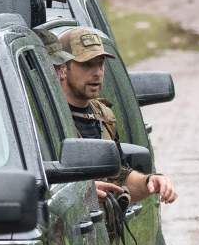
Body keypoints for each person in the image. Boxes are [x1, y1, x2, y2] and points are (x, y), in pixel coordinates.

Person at [54, 26, 176, 205]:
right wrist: (81, 192)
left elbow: (120, 176)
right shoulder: (50, 118)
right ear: (63, 69)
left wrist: (150, 182)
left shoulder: (103, 115)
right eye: (87, 64)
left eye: (100, 63)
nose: (97, 73)